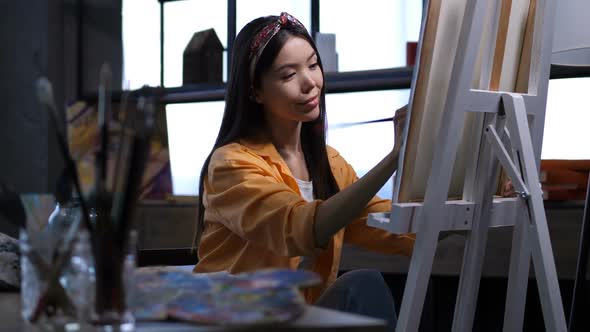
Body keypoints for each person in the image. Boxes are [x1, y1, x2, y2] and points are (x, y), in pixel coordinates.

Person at [192, 12, 413, 331]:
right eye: (288, 75)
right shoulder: (230, 165)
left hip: (295, 321)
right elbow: (299, 230)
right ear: (255, 91)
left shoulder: (328, 162)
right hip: (237, 322)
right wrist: (394, 158)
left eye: (312, 64)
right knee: (362, 285)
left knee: (364, 283)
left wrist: (479, 194)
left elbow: (400, 230)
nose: (310, 82)